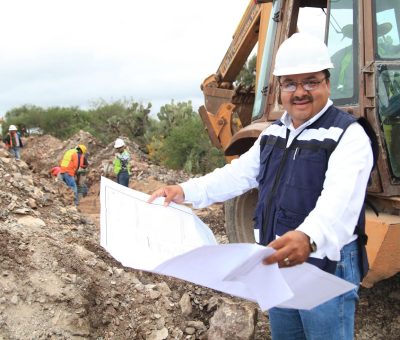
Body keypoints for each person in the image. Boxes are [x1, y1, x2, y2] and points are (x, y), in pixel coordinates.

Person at [148, 33, 374, 339]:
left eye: (310, 81)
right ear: (280, 88)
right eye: (290, 83)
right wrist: (185, 191)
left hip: (325, 264)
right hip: (277, 262)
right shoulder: (274, 134)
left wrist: (308, 237)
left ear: (327, 83)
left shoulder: (348, 135)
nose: (300, 92)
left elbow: (339, 200)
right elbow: (237, 175)